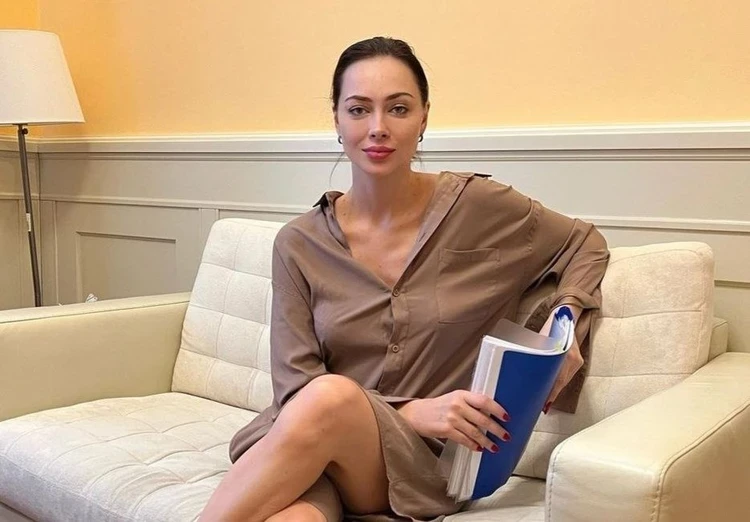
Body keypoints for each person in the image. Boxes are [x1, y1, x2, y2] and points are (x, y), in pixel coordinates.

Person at [199, 36, 609, 522]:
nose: (378, 128)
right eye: (358, 110)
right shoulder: (298, 244)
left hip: (418, 466)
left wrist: (566, 318)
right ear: (337, 121)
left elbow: (584, 242)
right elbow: (296, 389)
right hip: (310, 446)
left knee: (332, 396)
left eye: (398, 108)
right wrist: (411, 409)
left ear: (424, 118)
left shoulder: (480, 208)